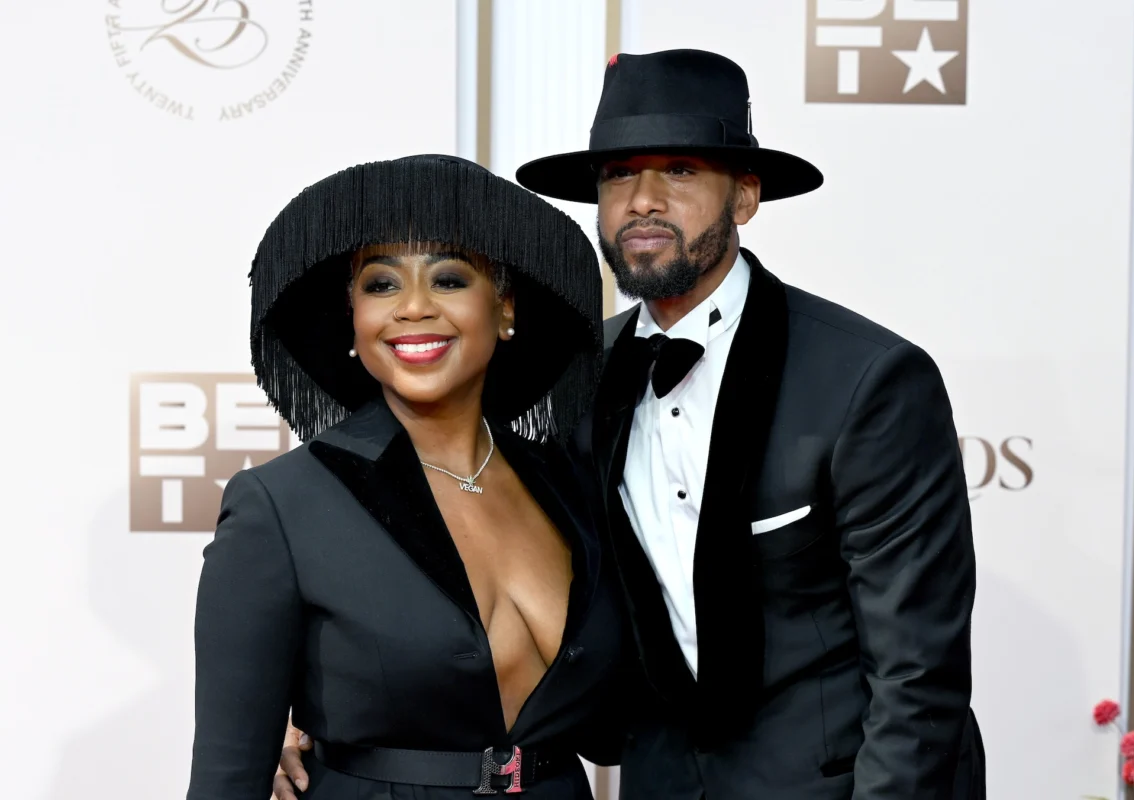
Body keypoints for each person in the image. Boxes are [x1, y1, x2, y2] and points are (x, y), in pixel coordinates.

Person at [276, 50, 986, 799]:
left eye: (678, 170)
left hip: (836, 784)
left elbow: (917, 673)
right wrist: (307, 706)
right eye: (618, 175)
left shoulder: (867, 381)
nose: (643, 201)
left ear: (745, 197)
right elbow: (451, 549)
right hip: (657, 782)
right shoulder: (574, 382)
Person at [186, 154, 627, 799]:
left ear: (504, 307)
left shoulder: (568, 483)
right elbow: (225, 780)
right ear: (353, 318)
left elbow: (622, 717)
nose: (413, 307)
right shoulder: (282, 504)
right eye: (381, 285)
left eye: (448, 279)